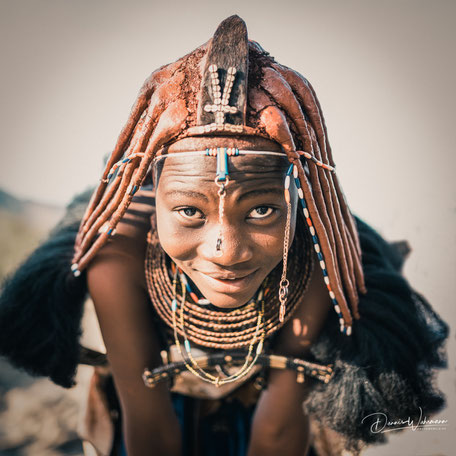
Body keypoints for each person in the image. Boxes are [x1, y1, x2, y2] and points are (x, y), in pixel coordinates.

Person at [0, 15, 448, 456]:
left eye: (261, 209)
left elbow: (276, 430)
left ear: (294, 202)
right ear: (156, 201)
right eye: (190, 211)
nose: (226, 251)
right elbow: (150, 432)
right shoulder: (118, 258)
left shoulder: (313, 257)